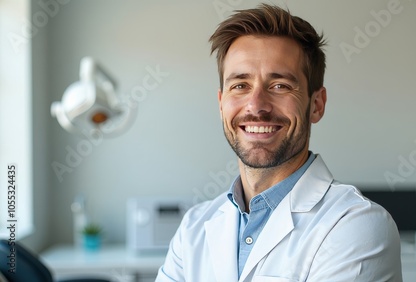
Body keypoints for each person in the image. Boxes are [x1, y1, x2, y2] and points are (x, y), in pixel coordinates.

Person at [156, 4, 402, 282]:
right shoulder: (194, 227)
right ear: (221, 103)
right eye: (240, 85)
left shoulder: (357, 225)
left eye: (280, 86)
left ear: (316, 105)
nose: (257, 106)